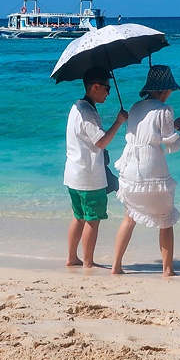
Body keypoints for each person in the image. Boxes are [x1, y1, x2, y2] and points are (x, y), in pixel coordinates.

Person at [111, 65, 180, 277]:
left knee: (129, 217)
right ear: (164, 90)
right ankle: (167, 270)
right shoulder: (165, 109)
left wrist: (170, 126)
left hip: (130, 165)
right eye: (170, 90)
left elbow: (148, 132)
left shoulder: (136, 106)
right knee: (166, 218)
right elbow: (171, 145)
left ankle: (116, 266)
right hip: (151, 166)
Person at [64, 67, 128, 268]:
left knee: (79, 217)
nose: (109, 92)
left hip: (74, 174)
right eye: (107, 88)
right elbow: (101, 142)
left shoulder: (77, 106)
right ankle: (88, 262)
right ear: (95, 87)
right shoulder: (88, 112)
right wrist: (118, 123)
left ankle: (73, 258)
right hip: (89, 177)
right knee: (92, 220)